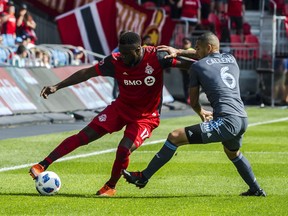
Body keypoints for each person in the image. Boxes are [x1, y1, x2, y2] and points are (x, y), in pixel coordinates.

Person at [29, 31, 193, 196]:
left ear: (138, 50)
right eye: (120, 52)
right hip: (121, 108)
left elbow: (192, 65)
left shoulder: (157, 57)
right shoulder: (114, 61)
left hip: (146, 116)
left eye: (126, 53)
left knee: (123, 149)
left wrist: (195, 60)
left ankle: (110, 186)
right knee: (84, 136)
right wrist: (57, 86)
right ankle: (42, 164)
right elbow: (86, 73)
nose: (122, 56)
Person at [123, 32, 266, 197]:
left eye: (198, 48)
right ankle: (256, 189)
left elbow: (193, 101)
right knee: (232, 153)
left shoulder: (198, 67)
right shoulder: (231, 58)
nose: (195, 51)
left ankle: (143, 177)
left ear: (209, 47)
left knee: (175, 136)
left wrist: (201, 113)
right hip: (241, 118)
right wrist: (179, 51)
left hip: (226, 121)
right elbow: (203, 57)